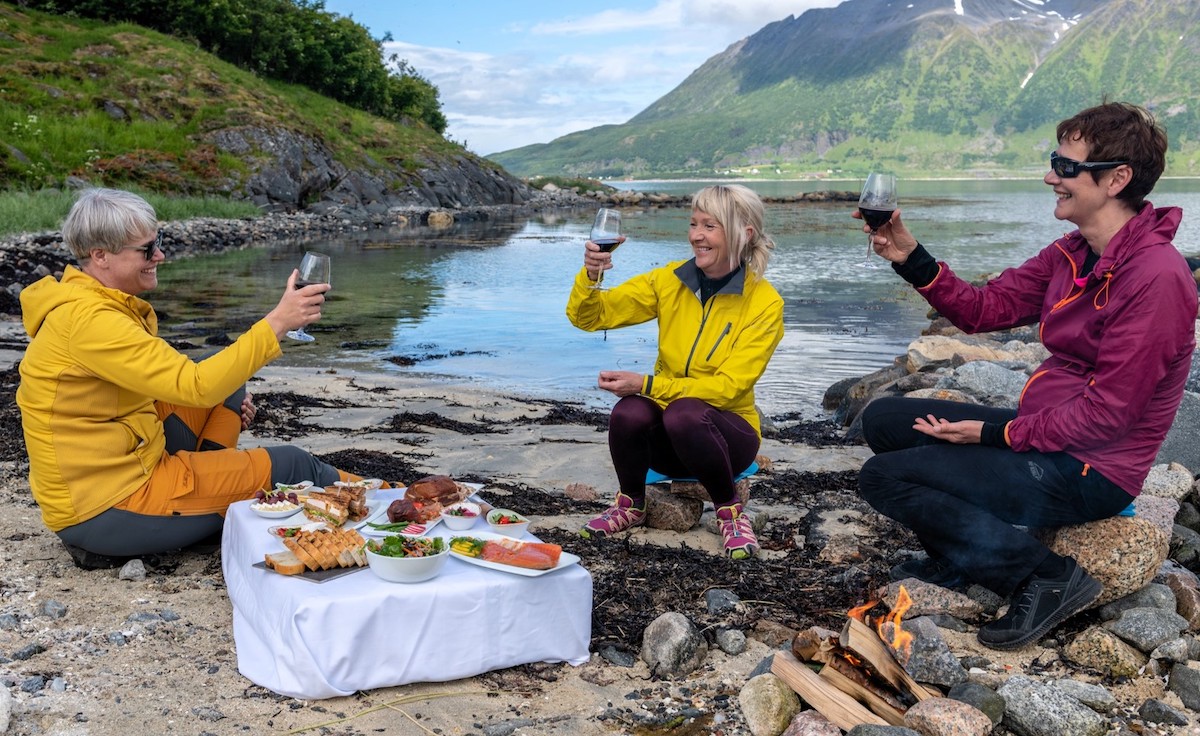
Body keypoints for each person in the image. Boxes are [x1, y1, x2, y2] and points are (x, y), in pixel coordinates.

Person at [854, 102, 1197, 649]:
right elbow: (982, 310)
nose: (1049, 176)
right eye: (1052, 161)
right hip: (1048, 438)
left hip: (1092, 469)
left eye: (1065, 166)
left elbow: (1110, 415)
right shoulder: (1073, 253)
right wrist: (908, 255)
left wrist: (996, 434)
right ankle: (961, 553)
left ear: (1117, 179)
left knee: (883, 477)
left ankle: (1044, 577)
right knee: (888, 422)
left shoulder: (1156, 277)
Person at [17, 188, 369, 569]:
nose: (160, 256)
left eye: (159, 242)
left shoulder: (84, 303)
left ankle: (209, 493)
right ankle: (398, 503)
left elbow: (181, 387)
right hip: (109, 508)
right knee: (293, 467)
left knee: (228, 390)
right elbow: (197, 386)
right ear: (100, 255)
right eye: (147, 249)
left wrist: (223, 403)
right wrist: (279, 322)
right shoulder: (92, 321)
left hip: (105, 478)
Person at [566, 184, 785, 559]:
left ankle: (730, 513)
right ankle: (630, 504)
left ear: (744, 233)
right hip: (669, 444)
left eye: (710, 226)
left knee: (686, 412)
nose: (697, 235)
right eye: (694, 223)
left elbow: (729, 388)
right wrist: (591, 276)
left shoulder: (765, 304)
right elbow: (590, 317)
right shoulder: (669, 281)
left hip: (728, 440)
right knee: (629, 411)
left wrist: (647, 383)